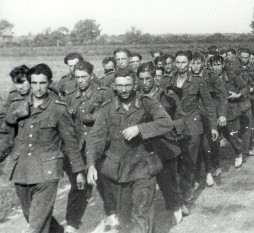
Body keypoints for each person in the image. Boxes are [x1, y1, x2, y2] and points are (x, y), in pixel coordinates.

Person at [86, 67, 173, 233]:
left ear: (135, 84)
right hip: (118, 171)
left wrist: (140, 128)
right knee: (124, 218)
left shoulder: (147, 103)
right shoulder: (107, 109)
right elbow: (95, 138)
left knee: (142, 213)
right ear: (114, 86)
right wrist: (90, 164)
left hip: (143, 168)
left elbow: (167, 123)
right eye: (120, 85)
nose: (124, 90)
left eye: (128, 85)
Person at [1, 63, 85, 233]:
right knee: (32, 216)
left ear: (49, 83)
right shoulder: (17, 105)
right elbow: (6, 137)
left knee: (36, 225)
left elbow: (71, 143)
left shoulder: (58, 109)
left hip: (47, 172)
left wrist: (78, 171)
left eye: (42, 83)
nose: (38, 88)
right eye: (34, 83)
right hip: (22, 170)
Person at [64, 60, 116, 233]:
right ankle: (72, 223)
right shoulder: (70, 96)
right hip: (79, 148)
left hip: (100, 146)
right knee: (78, 186)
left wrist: (89, 116)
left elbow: (107, 118)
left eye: (84, 77)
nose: (80, 81)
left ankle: (112, 215)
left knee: (104, 183)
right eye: (77, 77)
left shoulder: (104, 93)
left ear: (91, 76)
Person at [136, 61, 188, 224]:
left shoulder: (168, 97)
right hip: (143, 146)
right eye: (141, 79)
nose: (144, 83)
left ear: (154, 78)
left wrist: (174, 133)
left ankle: (177, 206)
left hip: (165, 145)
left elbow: (179, 117)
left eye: (148, 79)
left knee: (168, 181)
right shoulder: (136, 99)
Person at [169, 50, 218, 203]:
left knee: (189, 159)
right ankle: (182, 187)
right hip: (174, 126)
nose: (180, 65)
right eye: (178, 62)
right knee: (177, 160)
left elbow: (209, 105)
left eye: (184, 62)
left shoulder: (197, 81)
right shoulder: (169, 81)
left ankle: (186, 191)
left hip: (192, 125)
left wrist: (213, 126)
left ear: (189, 63)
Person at [191, 52, 227, 188]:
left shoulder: (212, 77)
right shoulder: (187, 78)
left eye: (198, 62)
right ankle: (196, 176)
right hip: (193, 116)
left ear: (203, 63)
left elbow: (223, 96)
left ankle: (210, 170)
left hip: (209, 114)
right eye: (193, 63)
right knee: (195, 147)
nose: (195, 66)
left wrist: (222, 114)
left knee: (209, 145)